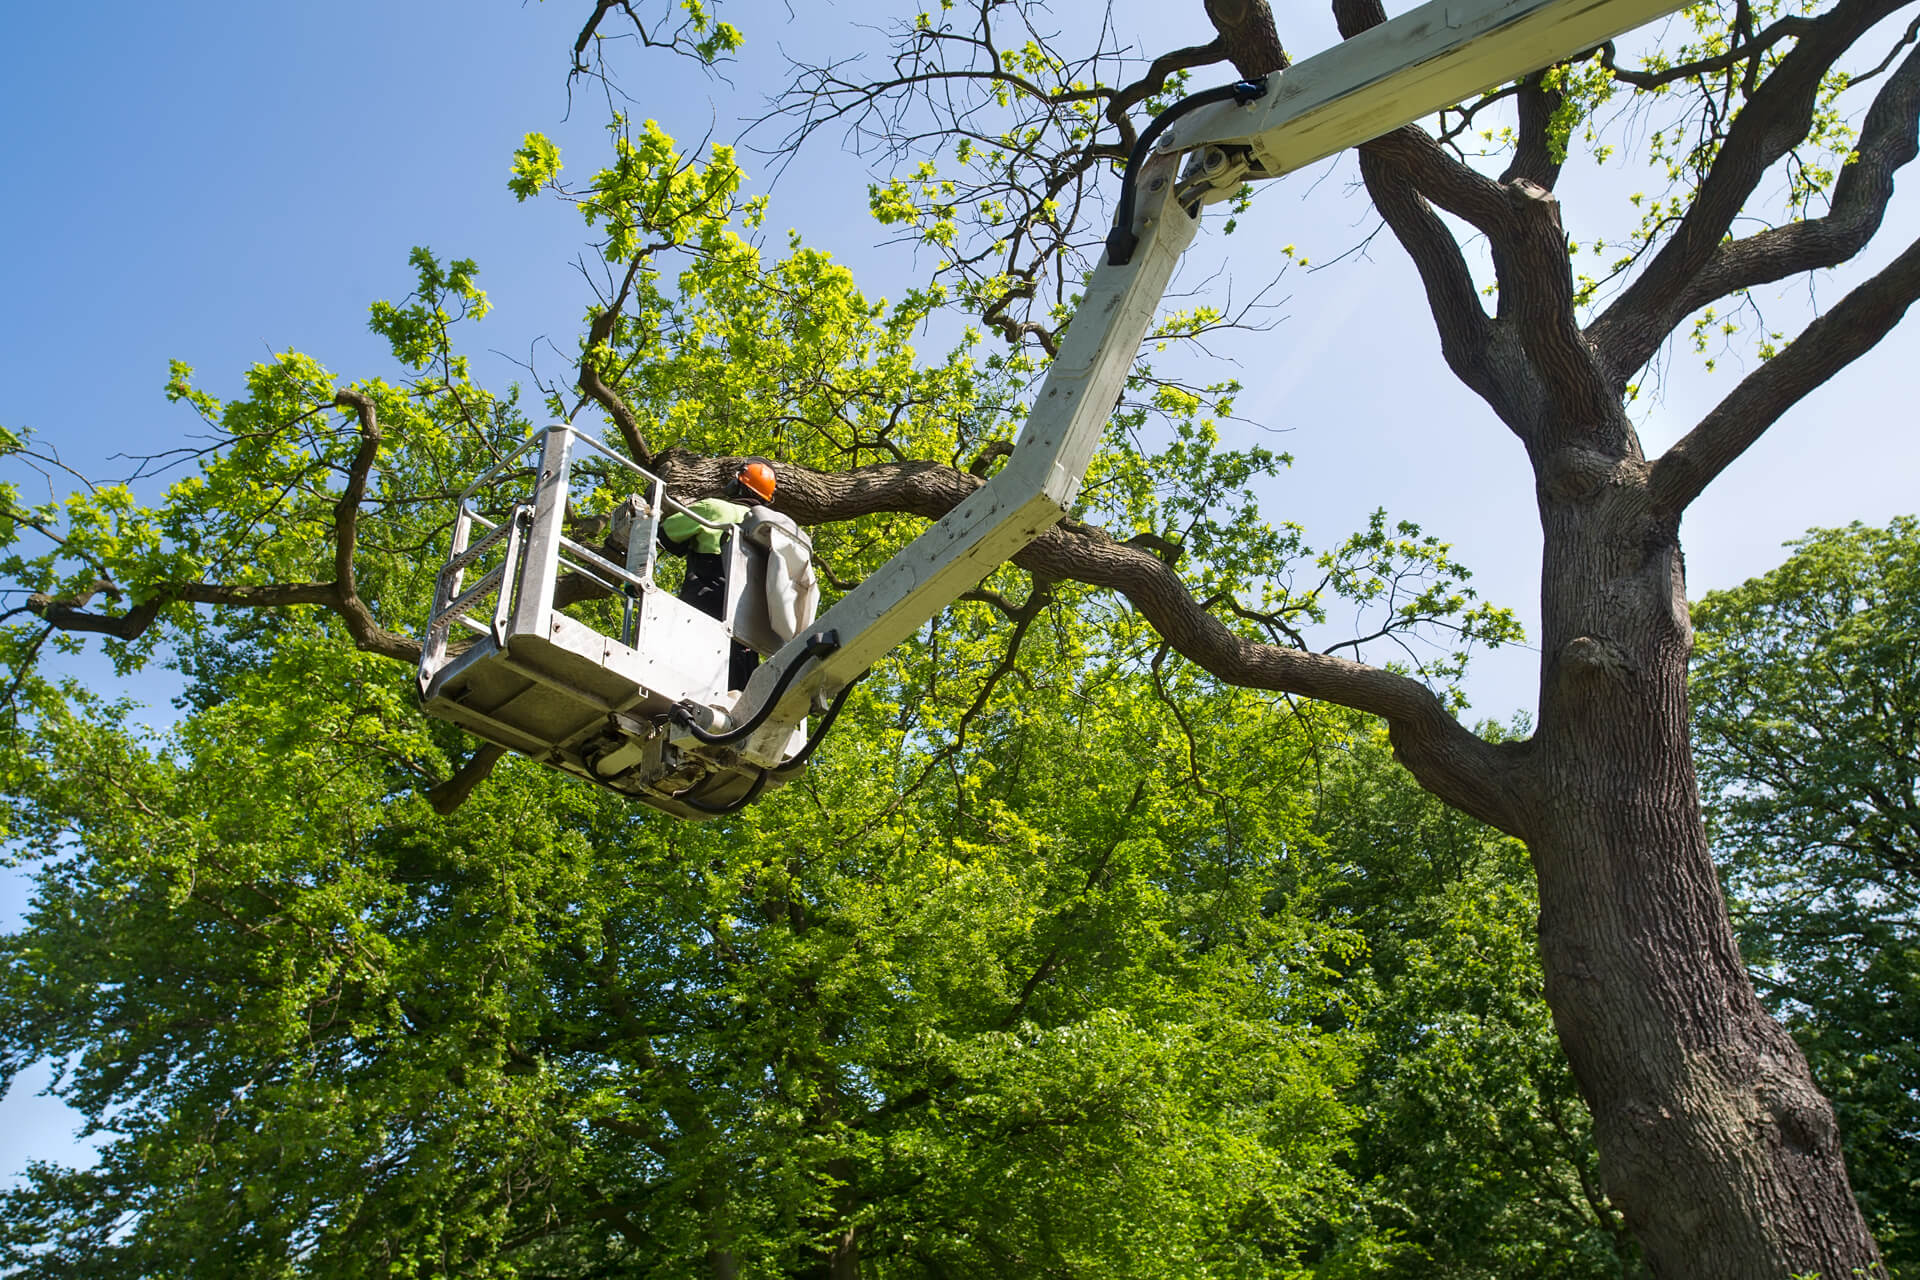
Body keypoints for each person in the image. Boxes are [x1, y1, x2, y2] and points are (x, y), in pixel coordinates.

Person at [659, 458, 779, 691]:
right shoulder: (772, 533)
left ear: (738, 484)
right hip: (746, 635)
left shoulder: (714, 508)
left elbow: (665, 534)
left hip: (703, 614)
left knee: (682, 690)